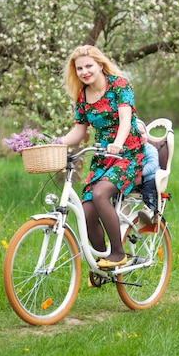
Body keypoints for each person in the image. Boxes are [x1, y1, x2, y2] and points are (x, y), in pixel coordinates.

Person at [61, 45, 145, 269]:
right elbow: (79, 130)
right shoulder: (82, 96)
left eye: (89, 66)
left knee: (100, 195)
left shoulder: (119, 85)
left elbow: (126, 119)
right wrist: (57, 143)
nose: (84, 72)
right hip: (102, 157)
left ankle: (118, 253)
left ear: (100, 65)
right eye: (79, 68)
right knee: (86, 211)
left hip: (128, 153)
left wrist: (117, 144)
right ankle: (102, 262)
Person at [136, 120, 159, 224]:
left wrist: (140, 173)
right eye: (136, 134)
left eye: (143, 133)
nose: (141, 136)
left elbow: (152, 164)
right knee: (118, 188)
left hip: (150, 177)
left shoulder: (149, 149)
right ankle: (117, 207)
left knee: (148, 190)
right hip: (134, 179)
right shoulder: (128, 151)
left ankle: (150, 209)